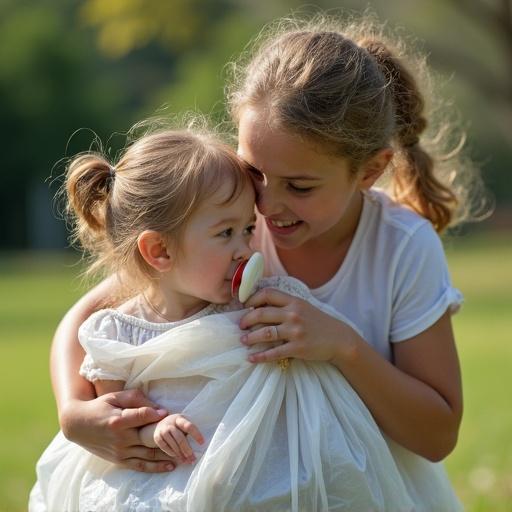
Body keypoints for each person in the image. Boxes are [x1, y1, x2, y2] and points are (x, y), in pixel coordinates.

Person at [45, 11, 479, 509]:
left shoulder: (401, 247)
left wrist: (342, 346)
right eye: (254, 170)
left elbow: (438, 434)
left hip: (359, 487)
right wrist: (74, 413)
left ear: (370, 170)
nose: (268, 206)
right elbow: (83, 318)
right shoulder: (229, 228)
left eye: (300, 186)